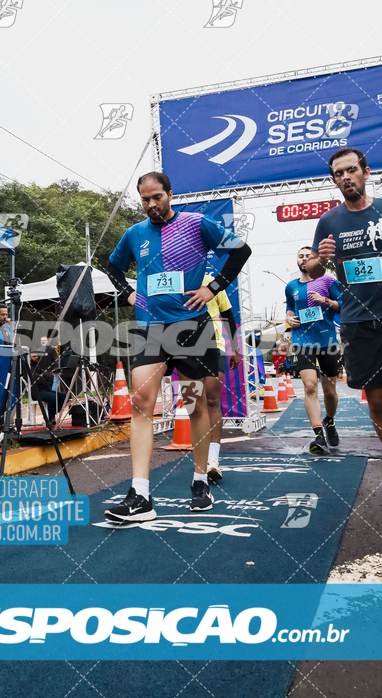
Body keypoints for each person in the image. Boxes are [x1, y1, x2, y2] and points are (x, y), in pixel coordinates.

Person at [104, 171, 251, 521]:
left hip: (190, 326)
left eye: (157, 197)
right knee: (141, 402)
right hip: (150, 326)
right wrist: (126, 293)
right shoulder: (134, 234)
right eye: (145, 199)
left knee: (195, 405)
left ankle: (200, 480)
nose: (152, 204)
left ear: (170, 194)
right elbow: (112, 267)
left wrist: (213, 288)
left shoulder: (197, 224)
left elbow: (241, 251)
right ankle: (140, 496)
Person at [307, 147, 382, 506]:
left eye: (351, 170)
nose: (345, 177)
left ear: (365, 172)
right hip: (357, 319)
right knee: (377, 400)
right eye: (338, 174)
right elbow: (316, 273)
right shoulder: (329, 222)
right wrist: (322, 260)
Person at [285, 246, 342, 454]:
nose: (304, 259)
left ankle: (330, 420)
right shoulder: (291, 286)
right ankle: (318, 436)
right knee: (310, 387)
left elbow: (344, 304)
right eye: (300, 256)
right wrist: (289, 317)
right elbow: (290, 307)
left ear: (316, 260)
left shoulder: (327, 281)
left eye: (308, 256)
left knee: (330, 392)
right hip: (302, 341)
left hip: (326, 341)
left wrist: (326, 300)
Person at [200, 271, 241, 481]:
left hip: (214, 346)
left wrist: (234, 348)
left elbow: (228, 316)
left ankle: (213, 461)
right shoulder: (174, 280)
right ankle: (199, 461)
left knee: (213, 400)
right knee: (194, 403)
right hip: (184, 348)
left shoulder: (213, 282)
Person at [29, 336, 59, 424]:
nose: (43, 342)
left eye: (44, 340)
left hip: (49, 373)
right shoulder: (38, 351)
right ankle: (49, 417)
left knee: (53, 394)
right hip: (40, 374)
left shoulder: (51, 350)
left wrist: (55, 370)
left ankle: (51, 416)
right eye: (42, 340)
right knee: (52, 396)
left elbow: (56, 360)